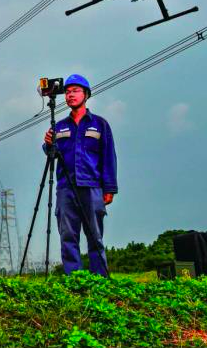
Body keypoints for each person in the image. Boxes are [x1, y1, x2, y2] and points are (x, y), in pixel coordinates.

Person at [43, 74, 117, 276]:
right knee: (68, 236)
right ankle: (75, 280)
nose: (70, 95)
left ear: (86, 94)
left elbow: (109, 156)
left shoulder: (100, 125)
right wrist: (48, 143)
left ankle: (99, 279)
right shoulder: (59, 127)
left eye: (75, 91)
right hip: (66, 188)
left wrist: (109, 188)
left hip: (92, 186)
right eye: (67, 92)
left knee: (95, 236)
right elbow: (50, 155)